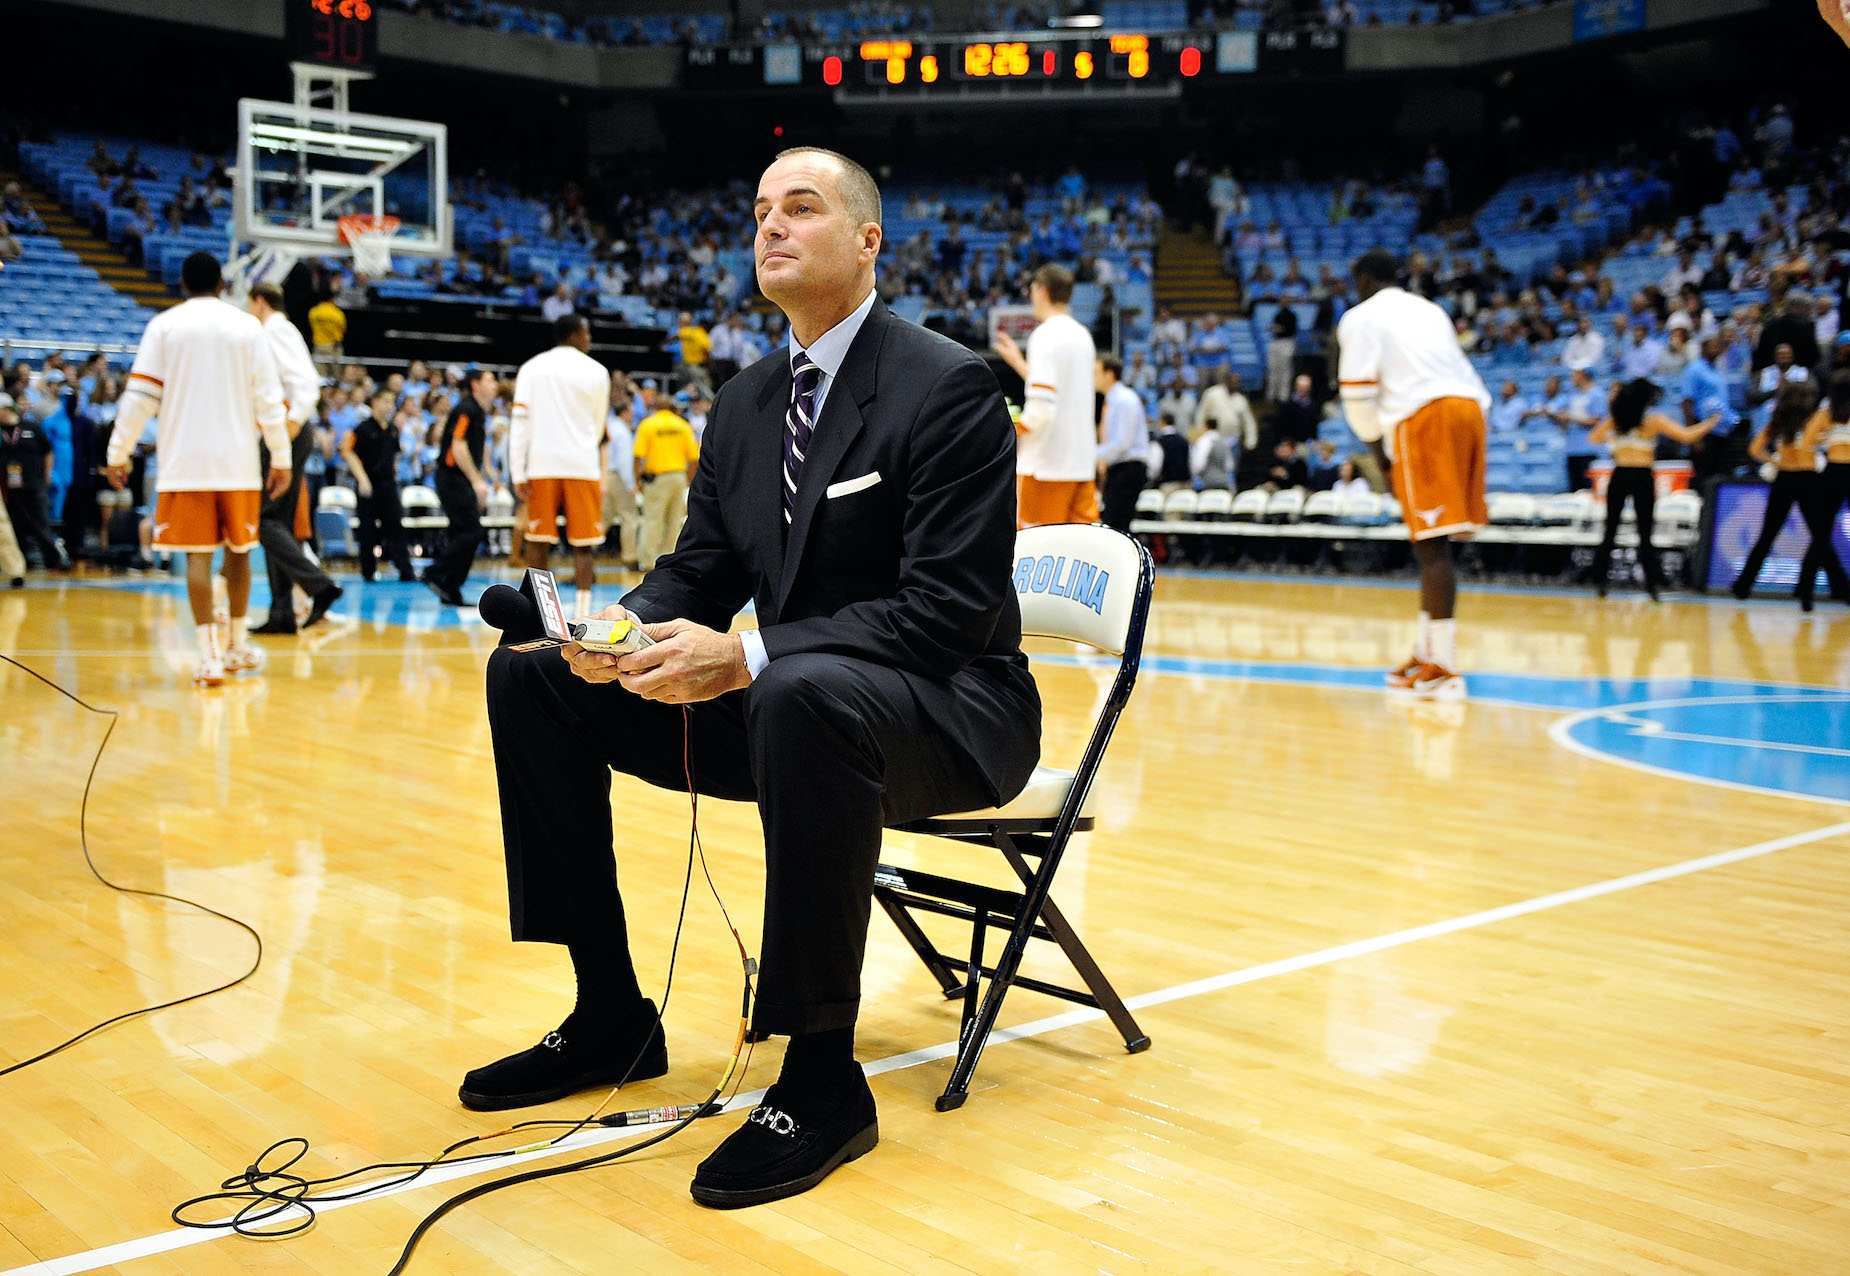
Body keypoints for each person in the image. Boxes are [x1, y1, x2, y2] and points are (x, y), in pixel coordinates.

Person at [470, 147, 1040, 1210]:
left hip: (952, 710)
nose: (769, 227)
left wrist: (744, 655)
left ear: (868, 241)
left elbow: (946, 613)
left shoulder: (949, 384)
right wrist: (617, 632)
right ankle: (608, 1013)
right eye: (758, 213)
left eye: (802, 208)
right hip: (800, 714)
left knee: (795, 687)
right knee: (535, 678)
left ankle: (823, 1075)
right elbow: (701, 569)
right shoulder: (740, 403)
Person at [104, 251, 290, 685]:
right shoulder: (248, 327)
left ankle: (208, 658)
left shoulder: (164, 327)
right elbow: (269, 401)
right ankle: (237, 646)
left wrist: (118, 452)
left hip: (184, 464)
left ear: (183, 284)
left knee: (197, 559)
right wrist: (281, 457)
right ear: (224, 285)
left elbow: (139, 400)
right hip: (239, 463)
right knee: (240, 553)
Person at [1337, 249, 1492, 701]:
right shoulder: (1429, 309)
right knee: (1431, 541)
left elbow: (1359, 400)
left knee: (1431, 548)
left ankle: (1444, 665)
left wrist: (1381, 460)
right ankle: (1426, 650)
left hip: (1428, 416)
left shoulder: (1361, 317)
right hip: (1469, 410)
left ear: (1363, 279)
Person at [247, 282, 343, 635]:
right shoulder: (278, 331)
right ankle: (282, 612)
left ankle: (319, 586)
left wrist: (284, 432)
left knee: (262, 517)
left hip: (286, 427)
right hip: (288, 427)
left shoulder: (275, 330)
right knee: (277, 522)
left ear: (259, 302)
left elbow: (305, 385)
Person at [511, 313, 612, 618]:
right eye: (587, 332)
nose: (589, 339)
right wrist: (581, 445)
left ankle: (539, 613)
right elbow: (597, 426)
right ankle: (584, 613)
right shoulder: (597, 371)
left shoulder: (531, 368)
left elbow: (520, 423)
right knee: (584, 545)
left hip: (541, 464)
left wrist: (518, 470)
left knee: (538, 540)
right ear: (575, 334)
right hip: (582, 464)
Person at [1586, 380, 1718, 601]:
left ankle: (1599, 581)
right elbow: (1687, 436)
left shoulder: (1616, 422)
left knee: (1611, 529)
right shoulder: (1653, 421)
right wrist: (1710, 423)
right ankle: (1652, 585)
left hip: (1620, 475)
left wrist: (1616, 441)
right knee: (1645, 532)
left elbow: (1593, 438)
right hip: (1642, 477)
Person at [992, 264, 1099, 528]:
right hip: (1081, 465)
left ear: (1041, 291)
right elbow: (1058, 392)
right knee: (1079, 556)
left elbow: (1042, 409)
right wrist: (1019, 363)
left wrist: (1012, 429)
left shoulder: (1045, 335)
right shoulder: (1082, 336)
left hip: (1045, 465)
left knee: (1037, 556)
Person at [1732, 379, 1848, 608]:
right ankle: (1841, 588)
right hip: (1808, 479)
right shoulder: (1815, 418)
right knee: (1820, 536)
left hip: (1783, 479)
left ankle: (1742, 586)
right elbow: (1817, 440)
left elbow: (1754, 448)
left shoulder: (1778, 421)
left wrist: (1774, 459)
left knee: (1768, 535)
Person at [423, 368, 497, 606]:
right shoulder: (466, 409)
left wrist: (488, 473)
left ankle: (449, 588)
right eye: (490, 378)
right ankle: (435, 573)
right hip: (452, 477)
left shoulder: (479, 411)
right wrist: (476, 481)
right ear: (476, 384)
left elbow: (479, 446)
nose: (495, 383)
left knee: (461, 532)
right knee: (472, 532)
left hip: (460, 477)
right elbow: (458, 444)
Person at [340, 388, 418, 583]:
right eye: (385, 401)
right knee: (367, 529)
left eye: (391, 402)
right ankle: (368, 570)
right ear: (374, 402)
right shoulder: (363, 429)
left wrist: (395, 473)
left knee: (395, 526)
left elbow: (394, 455)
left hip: (388, 485)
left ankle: (405, 569)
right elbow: (348, 452)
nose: (388, 406)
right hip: (369, 484)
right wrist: (362, 478)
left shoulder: (392, 430)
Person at [631, 381, 699, 570]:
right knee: (674, 521)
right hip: (678, 477)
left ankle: (647, 561)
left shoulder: (648, 425)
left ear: (654, 406)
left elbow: (638, 456)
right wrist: (689, 481)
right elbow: (693, 458)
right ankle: (669, 561)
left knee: (653, 520)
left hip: (657, 478)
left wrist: (638, 480)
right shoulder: (682, 425)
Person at [1798, 369, 1850, 608]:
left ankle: (1805, 591)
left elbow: (1806, 443)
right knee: (1821, 533)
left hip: (1831, 473)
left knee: (1821, 533)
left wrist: (1829, 438)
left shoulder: (1826, 414)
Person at [1, 391, 69, 572]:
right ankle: (21, 563)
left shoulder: (31, 427)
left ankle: (53, 559)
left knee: (41, 522)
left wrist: (47, 475)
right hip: (7, 487)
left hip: (33, 483)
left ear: (7, 409)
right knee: (15, 526)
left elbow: (48, 451)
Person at [1094, 353, 1148, 531]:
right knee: (1114, 522)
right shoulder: (1113, 400)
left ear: (1109, 374)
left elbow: (1122, 443)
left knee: (1116, 525)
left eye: (1095, 373)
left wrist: (1088, 455)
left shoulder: (1124, 400)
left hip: (1128, 468)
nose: (1092, 378)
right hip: (1119, 468)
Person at [602, 383, 641, 568]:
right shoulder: (623, 432)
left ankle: (588, 551)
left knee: (604, 518)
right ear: (624, 412)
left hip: (605, 476)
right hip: (618, 477)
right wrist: (630, 484)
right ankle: (629, 557)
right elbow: (625, 462)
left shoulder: (608, 427)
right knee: (629, 517)